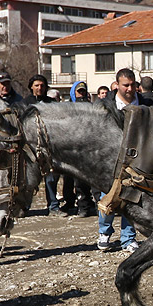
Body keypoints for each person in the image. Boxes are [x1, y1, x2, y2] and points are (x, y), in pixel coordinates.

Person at [97, 68, 145, 253]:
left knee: (130, 198)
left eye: (133, 85)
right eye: (126, 85)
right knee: (107, 196)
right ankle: (104, 233)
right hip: (111, 158)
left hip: (136, 158)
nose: (130, 89)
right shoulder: (104, 105)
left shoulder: (145, 103)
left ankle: (128, 238)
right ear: (117, 85)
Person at [21, 75, 62, 216]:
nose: (40, 88)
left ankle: (54, 206)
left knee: (51, 177)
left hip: (48, 146)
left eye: (42, 85)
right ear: (31, 86)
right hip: (29, 146)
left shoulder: (51, 103)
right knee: (28, 178)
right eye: (37, 85)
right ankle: (24, 205)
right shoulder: (24, 103)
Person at [64, 81, 95, 217]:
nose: (81, 94)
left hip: (90, 149)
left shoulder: (91, 108)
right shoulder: (67, 109)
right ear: (73, 93)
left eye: (83, 91)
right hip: (73, 150)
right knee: (76, 182)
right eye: (79, 92)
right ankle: (81, 206)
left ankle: (91, 205)